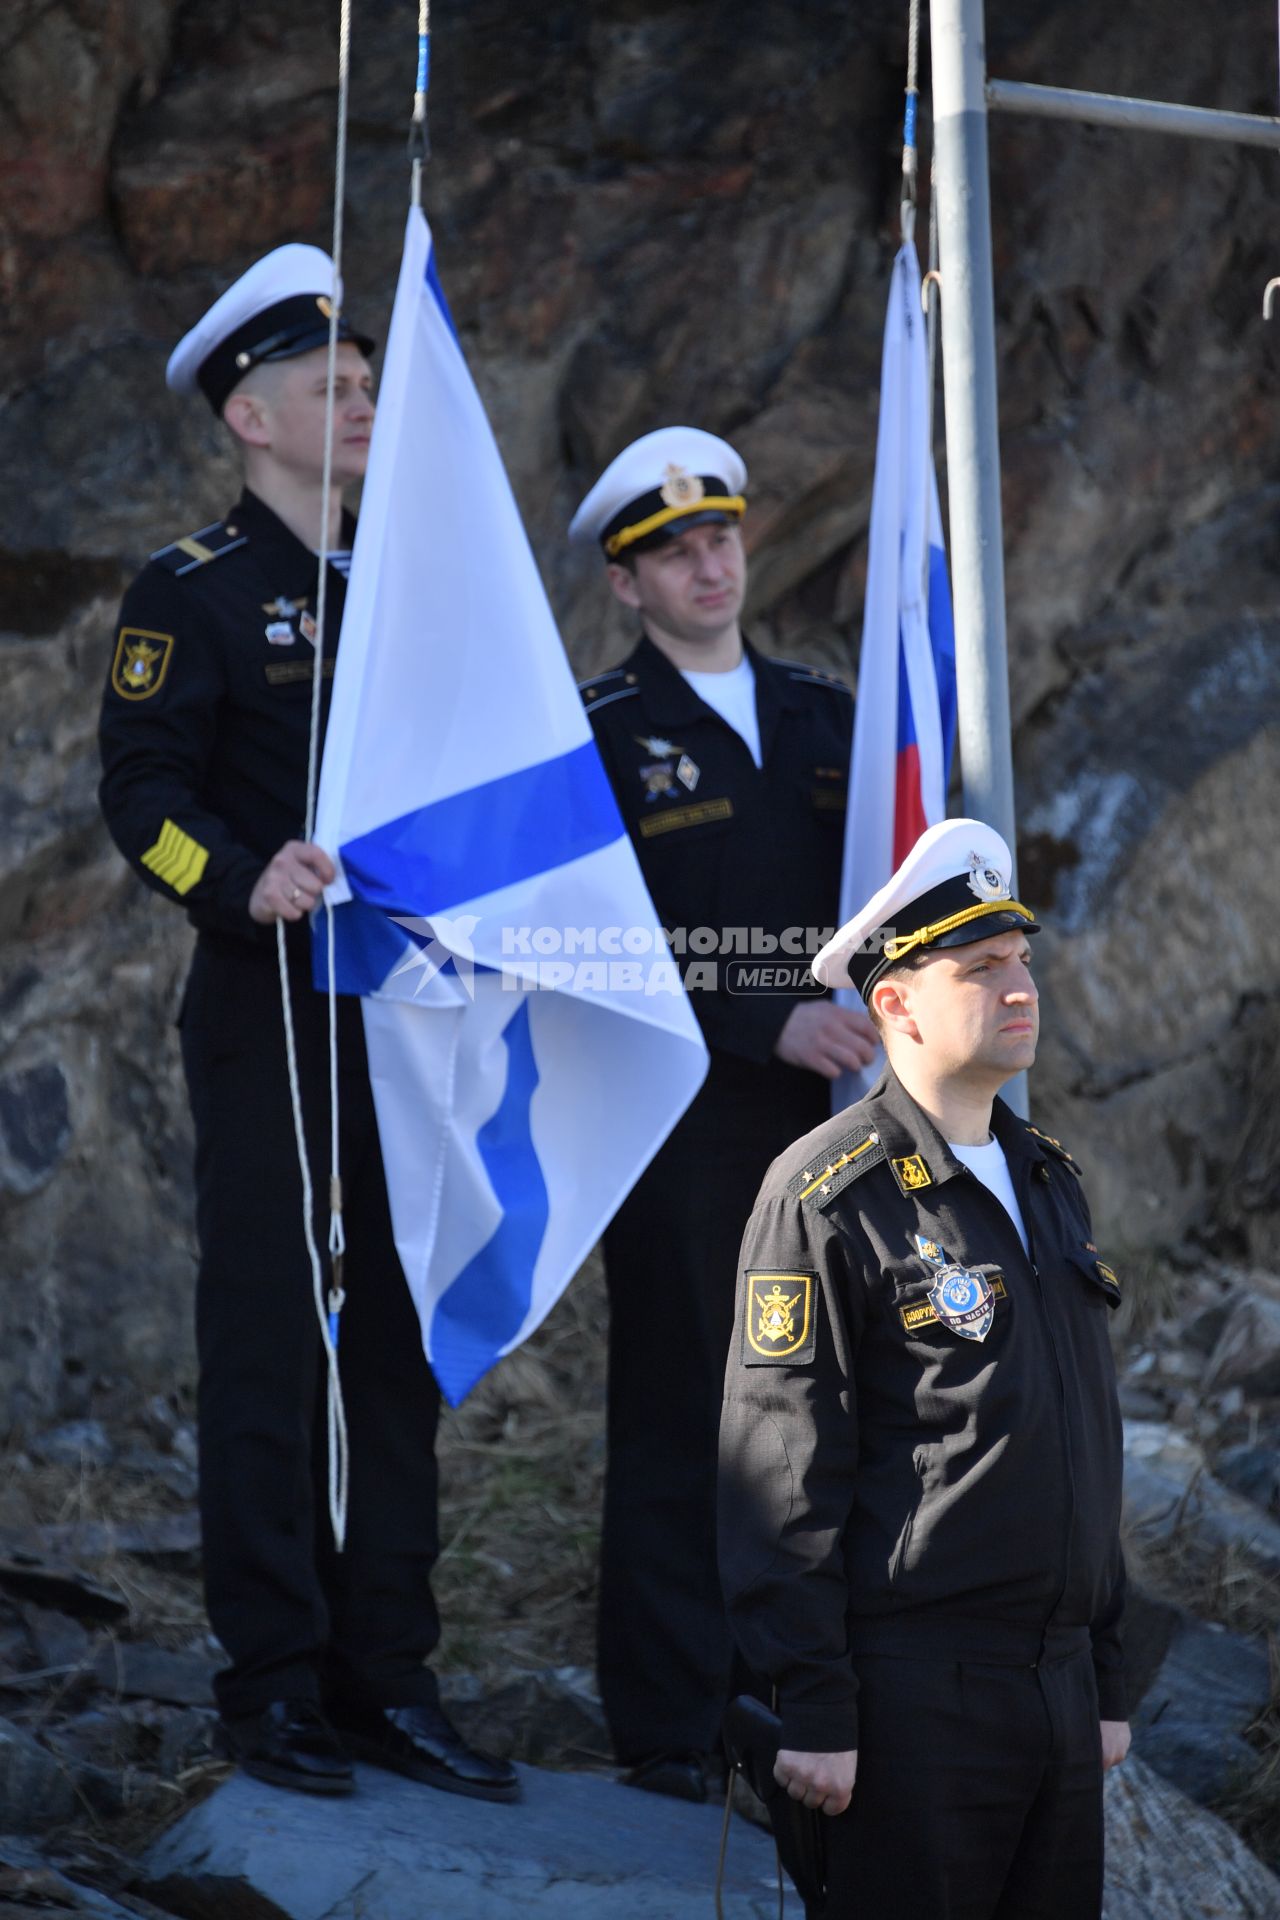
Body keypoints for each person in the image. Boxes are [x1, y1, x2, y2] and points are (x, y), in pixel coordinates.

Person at [98, 245, 517, 1804]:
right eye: (328, 388)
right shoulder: (191, 591)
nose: (356, 404)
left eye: (362, 385)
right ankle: (271, 1686)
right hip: (269, 1001)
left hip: (413, 1014)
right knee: (276, 1346)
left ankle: (386, 1678)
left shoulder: (409, 592)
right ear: (248, 417)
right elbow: (139, 797)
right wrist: (238, 877)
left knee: (399, 1346)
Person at [718, 817, 1130, 1919]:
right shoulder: (825, 1192)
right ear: (891, 1004)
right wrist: (811, 1706)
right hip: (912, 1699)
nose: (1018, 986)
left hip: (1056, 1688)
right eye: (978, 968)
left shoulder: (1047, 1178)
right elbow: (777, 1469)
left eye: (1022, 961)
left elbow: (1086, 1433)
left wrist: (1107, 1669)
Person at [568, 427, 879, 1799]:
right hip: (684, 1124)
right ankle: (673, 1727)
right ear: (627, 585)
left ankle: (797, 1704)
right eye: (673, 551)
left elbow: (883, 896)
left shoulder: (830, 717)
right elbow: (593, 943)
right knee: (691, 1413)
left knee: (823, 1408)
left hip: (840, 1113)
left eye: (722, 537)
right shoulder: (598, 740)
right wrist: (766, 1012)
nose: (709, 562)